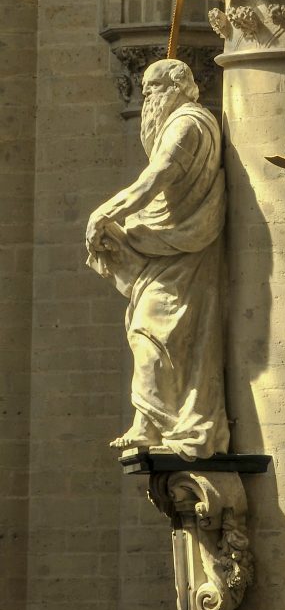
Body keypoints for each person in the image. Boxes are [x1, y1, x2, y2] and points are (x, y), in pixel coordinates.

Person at [85, 58, 229, 458]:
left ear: (177, 87)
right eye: (145, 89)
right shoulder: (177, 124)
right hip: (169, 247)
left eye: (153, 88)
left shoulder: (187, 124)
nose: (147, 96)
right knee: (148, 330)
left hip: (184, 249)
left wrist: (107, 212)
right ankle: (151, 421)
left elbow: (157, 175)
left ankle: (157, 422)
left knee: (152, 330)